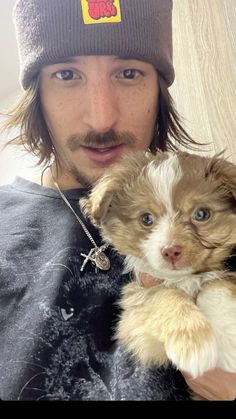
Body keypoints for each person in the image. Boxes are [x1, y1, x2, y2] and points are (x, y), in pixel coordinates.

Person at [0, 0, 235, 401]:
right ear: (36, 92)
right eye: (67, 74)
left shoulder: (223, 204)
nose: (101, 118)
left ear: (160, 88)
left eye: (128, 73)